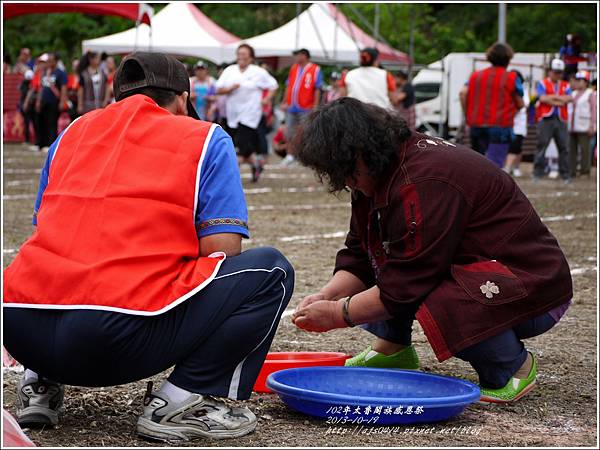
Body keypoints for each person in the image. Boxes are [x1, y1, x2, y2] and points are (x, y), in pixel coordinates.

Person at [3, 52, 294, 442]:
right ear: (183, 98)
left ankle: (39, 383)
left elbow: (46, 226)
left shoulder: (72, 133)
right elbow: (220, 248)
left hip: (20, 328)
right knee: (270, 270)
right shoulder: (204, 136)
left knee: (61, 255)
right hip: (111, 342)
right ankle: (181, 401)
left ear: (116, 96)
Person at [292, 98, 572, 404]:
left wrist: (338, 314)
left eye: (344, 171)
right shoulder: (379, 169)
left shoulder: (423, 180)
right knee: (393, 258)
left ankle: (511, 366)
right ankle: (393, 346)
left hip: (531, 287)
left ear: (359, 153)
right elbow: (362, 250)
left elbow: (408, 282)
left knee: (435, 295)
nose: (344, 181)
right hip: (483, 271)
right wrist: (328, 295)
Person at [216, 44, 278, 182]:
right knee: (243, 146)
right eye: (239, 54)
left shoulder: (258, 72)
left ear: (251, 57)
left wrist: (267, 99)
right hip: (232, 115)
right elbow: (218, 89)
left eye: (244, 54)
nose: (241, 57)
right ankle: (257, 164)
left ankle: (229, 178)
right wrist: (230, 89)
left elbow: (273, 85)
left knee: (238, 145)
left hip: (250, 114)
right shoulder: (230, 70)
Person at [460, 42, 524, 167]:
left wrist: (468, 115)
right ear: (508, 59)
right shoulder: (511, 77)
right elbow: (520, 104)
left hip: (476, 124)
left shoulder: (475, 76)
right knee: (494, 166)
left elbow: (463, 93)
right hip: (500, 126)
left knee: (477, 163)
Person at [279, 48, 323, 166]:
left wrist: (315, 106)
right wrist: (284, 101)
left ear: (304, 56)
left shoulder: (315, 69)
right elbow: (289, 86)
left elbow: (317, 88)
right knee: (289, 132)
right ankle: (290, 155)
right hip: (292, 106)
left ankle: (304, 157)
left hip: (306, 106)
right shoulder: (294, 68)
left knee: (305, 133)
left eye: (298, 55)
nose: (296, 58)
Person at [533, 58, 573, 182]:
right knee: (541, 145)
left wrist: (552, 98)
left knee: (564, 147)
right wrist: (559, 99)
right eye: (555, 72)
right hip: (546, 119)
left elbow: (569, 98)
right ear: (550, 71)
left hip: (561, 119)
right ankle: (538, 173)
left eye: (560, 72)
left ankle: (565, 174)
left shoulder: (566, 84)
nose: (558, 75)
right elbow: (542, 98)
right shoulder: (542, 83)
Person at [568, 70, 596, 178]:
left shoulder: (591, 94)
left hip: (584, 126)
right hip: (572, 126)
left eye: (581, 80)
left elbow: (594, 110)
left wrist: (592, 125)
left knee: (585, 150)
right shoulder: (573, 93)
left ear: (586, 82)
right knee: (572, 150)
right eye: (577, 80)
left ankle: (585, 171)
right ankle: (572, 171)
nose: (578, 82)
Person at [37, 52, 67, 152]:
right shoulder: (45, 72)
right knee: (43, 122)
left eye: (51, 60)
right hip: (44, 102)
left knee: (52, 123)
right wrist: (38, 100)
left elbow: (63, 88)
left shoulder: (60, 73)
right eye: (48, 61)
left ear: (56, 61)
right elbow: (42, 87)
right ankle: (43, 143)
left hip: (54, 102)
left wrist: (62, 101)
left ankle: (51, 144)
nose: (49, 62)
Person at [504, 70, 530, 177]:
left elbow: (524, 104)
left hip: (519, 123)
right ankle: (510, 167)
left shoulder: (523, 90)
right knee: (509, 146)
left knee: (516, 146)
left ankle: (512, 167)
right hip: (508, 122)